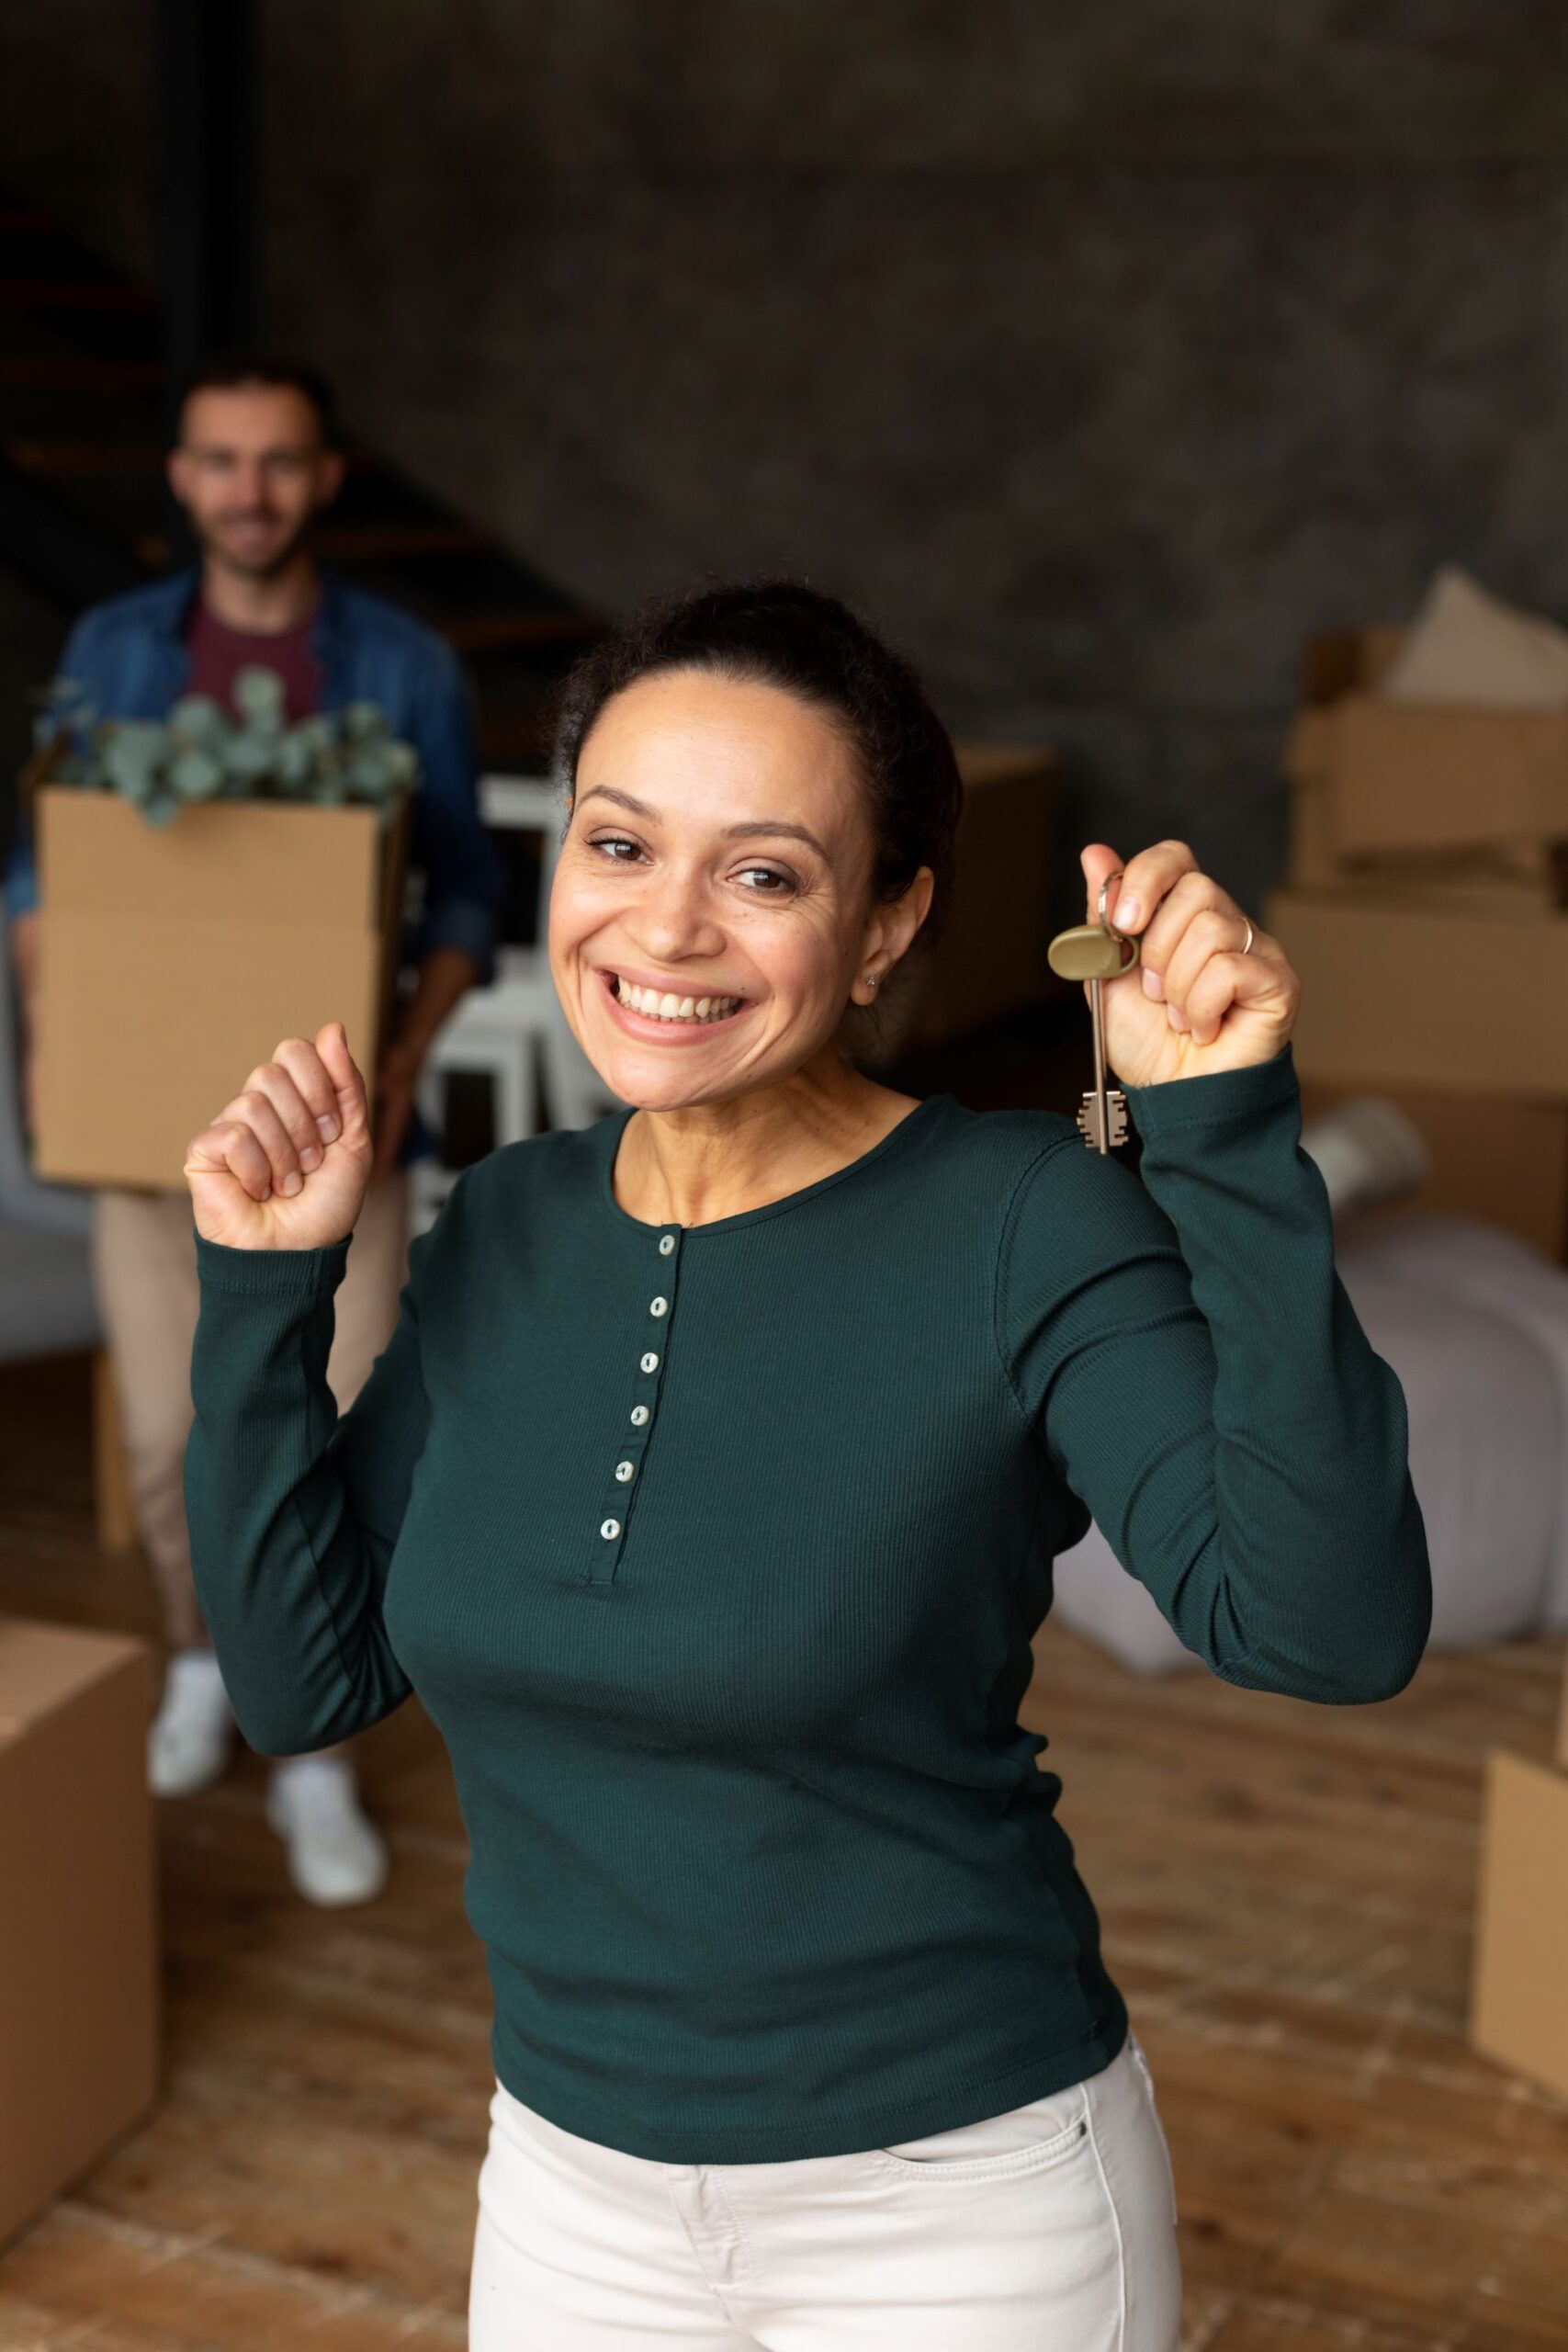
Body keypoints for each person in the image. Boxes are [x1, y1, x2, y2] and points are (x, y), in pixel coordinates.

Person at [177, 579, 1430, 2347]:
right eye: (619, 844)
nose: (665, 929)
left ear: (887, 924)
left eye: (763, 874)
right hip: (568, 2190)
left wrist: (1220, 1131)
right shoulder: (508, 1222)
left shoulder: (1020, 1220)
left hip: (961, 2208)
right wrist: (262, 1294)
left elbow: (1327, 1629)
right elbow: (305, 1680)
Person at [2, 351, 508, 1905]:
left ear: (325, 478)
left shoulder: (404, 663)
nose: (249, 490)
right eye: (220, 461)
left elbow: (468, 896)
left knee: (329, 1443)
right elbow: (52, 868)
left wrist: (413, 1052)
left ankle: (318, 1746)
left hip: (340, 1142)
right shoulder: (113, 647)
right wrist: (57, 999)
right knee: (171, 1445)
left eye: (279, 462)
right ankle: (207, 1662)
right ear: (179, 479)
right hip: (160, 1144)